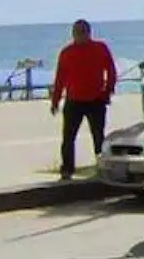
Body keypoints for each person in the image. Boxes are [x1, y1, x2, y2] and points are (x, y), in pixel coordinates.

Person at [49, 19, 117, 181]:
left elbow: (111, 71)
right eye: (76, 33)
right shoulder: (66, 52)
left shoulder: (100, 48)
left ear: (88, 33)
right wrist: (55, 101)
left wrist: (107, 91)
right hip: (74, 101)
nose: (79, 36)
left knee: (98, 136)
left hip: (96, 100)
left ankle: (102, 168)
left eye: (82, 32)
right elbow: (60, 78)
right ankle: (67, 169)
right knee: (68, 137)